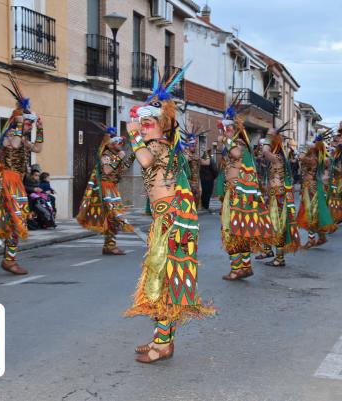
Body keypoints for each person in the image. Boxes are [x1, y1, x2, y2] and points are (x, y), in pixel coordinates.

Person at [124, 67, 214, 363]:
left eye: (149, 123)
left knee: (164, 280)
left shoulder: (160, 147)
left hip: (173, 220)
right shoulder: (160, 146)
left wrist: (135, 138)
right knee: (162, 278)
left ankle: (163, 344)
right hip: (166, 219)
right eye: (142, 122)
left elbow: (146, 161)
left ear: (162, 126)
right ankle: (162, 338)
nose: (144, 127)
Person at [0, 76, 44, 274]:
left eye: (31, 124)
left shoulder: (23, 137)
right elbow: (15, 144)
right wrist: (18, 123)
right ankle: (9, 260)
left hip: (17, 182)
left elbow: (38, 148)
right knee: (16, 220)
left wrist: (40, 129)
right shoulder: (11, 135)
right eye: (29, 123)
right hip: (7, 181)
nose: (30, 126)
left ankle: (9, 259)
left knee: (16, 221)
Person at [215, 99, 275, 280]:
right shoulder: (240, 144)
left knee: (231, 232)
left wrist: (225, 139)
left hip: (239, 196)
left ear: (232, 129)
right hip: (237, 195)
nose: (224, 132)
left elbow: (236, 154)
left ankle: (236, 269)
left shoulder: (238, 144)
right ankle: (245, 267)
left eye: (226, 129)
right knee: (241, 233)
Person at [77, 126, 136, 255]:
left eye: (121, 142)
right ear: (110, 144)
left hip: (112, 188)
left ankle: (109, 245)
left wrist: (133, 156)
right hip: (104, 188)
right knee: (113, 216)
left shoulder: (115, 155)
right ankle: (109, 245)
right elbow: (107, 170)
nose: (120, 144)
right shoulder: (106, 154)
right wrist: (119, 158)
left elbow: (122, 170)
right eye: (117, 142)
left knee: (113, 218)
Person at [256, 125, 301, 267]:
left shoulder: (277, 157)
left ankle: (280, 258)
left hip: (279, 197)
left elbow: (264, 151)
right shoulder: (277, 157)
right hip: (274, 195)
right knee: (270, 224)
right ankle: (269, 251)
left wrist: (269, 135)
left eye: (270, 139)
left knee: (278, 226)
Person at [297, 137, 337, 248]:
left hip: (311, 187)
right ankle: (322, 237)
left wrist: (306, 149)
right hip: (314, 186)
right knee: (316, 212)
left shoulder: (313, 158)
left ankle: (311, 240)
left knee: (310, 213)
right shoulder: (321, 158)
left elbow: (300, 157)